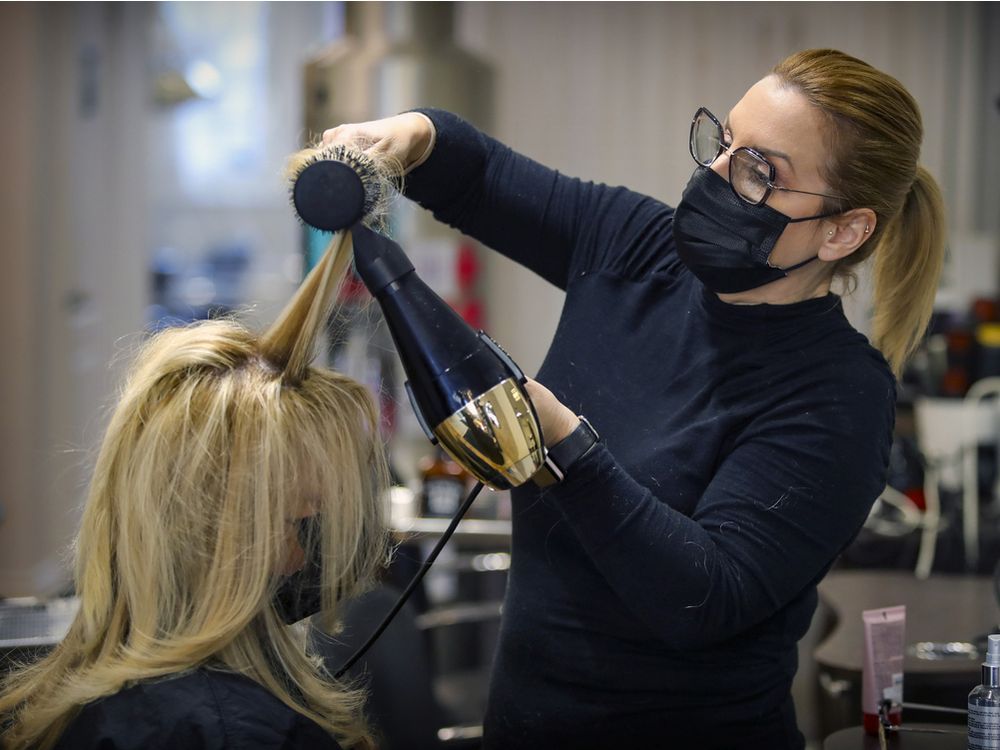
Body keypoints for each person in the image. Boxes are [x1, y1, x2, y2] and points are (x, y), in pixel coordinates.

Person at [321, 48, 946, 749]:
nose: (713, 173)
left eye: (760, 171)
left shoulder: (839, 395)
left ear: (844, 230)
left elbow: (705, 597)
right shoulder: (640, 249)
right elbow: (479, 175)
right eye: (724, 140)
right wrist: (411, 135)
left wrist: (563, 440)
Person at [0, 226, 392, 749]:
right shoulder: (234, 734)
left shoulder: (91, 703)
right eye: (300, 505)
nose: (316, 519)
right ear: (225, 526)